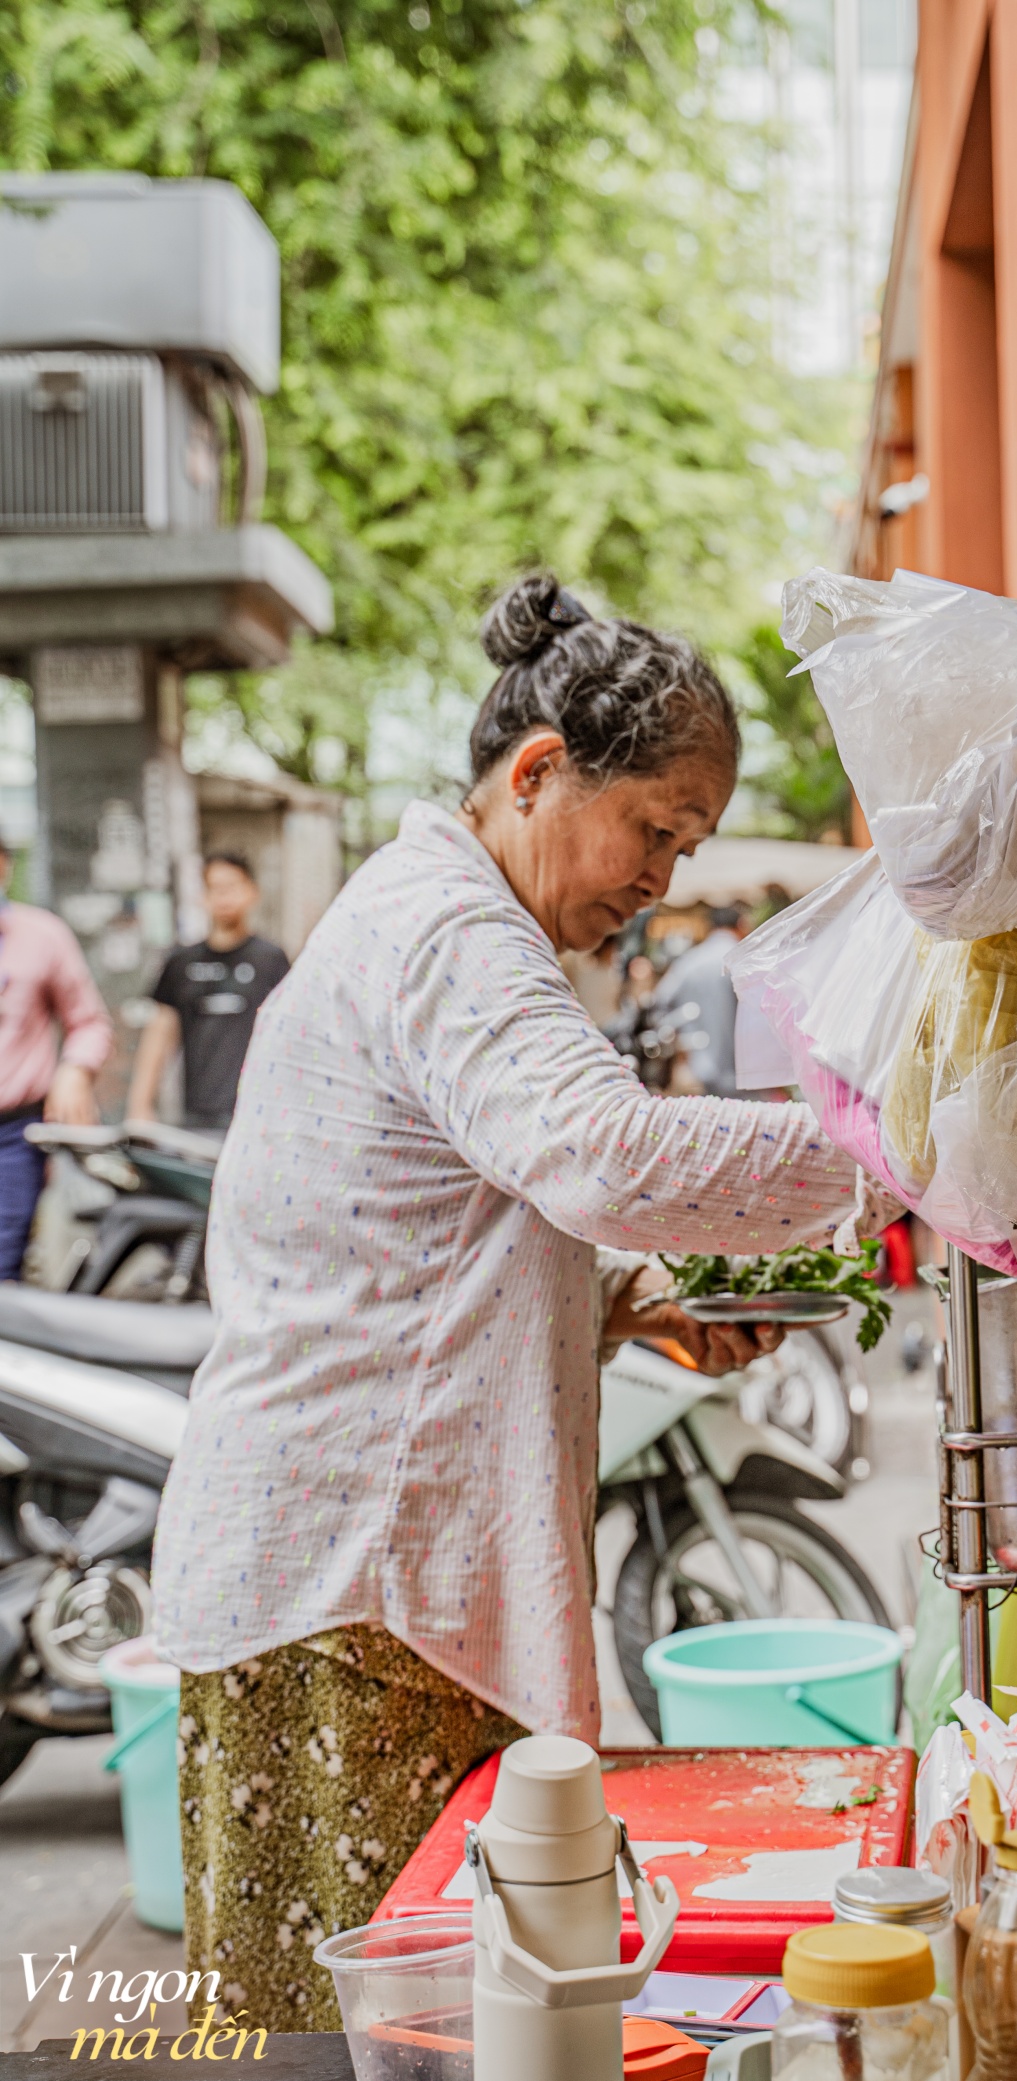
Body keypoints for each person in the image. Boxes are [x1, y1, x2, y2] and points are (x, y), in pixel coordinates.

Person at [152, 577, 886, 2028]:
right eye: (654, 830)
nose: (662, 880)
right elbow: (599, 1151)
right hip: (350, 1595)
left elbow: (437, 1227)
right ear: (538, 772)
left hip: (365, 1583)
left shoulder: (454, 922)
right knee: (365, 2038)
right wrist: (894, 1154)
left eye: (686, 845)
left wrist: (641, 1294)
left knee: (447, 2024)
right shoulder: (448, 929)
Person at [0, 834, 113, 1283]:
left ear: (4, 866)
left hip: (13, 1135)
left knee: (3, 1267)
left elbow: (90, 1022)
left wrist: (74, 1070)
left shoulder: (41, 935)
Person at [127, 851, 290, 1132]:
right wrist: (139, 1107)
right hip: (197, 1114)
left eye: (232, 887)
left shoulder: (271, 960)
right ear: (202, 896)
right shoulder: (181, 962)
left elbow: (290, 1033)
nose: (224, 897)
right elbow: (160, 1032)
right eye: (215, 888)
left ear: (252, 892)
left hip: (258, 1113)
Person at [651, 902, 747, 1096]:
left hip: (698, 1072)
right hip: (743, 1073)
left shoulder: (689, 962)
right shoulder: (743, 960)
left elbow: (657, 1005)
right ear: (740, 925)